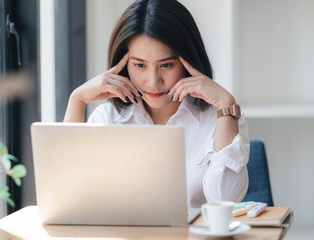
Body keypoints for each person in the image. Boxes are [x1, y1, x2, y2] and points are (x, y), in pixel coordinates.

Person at [64, 0, 249, 208]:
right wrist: (77, 100)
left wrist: (226, 103)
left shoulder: (221, 118)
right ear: (124, 65)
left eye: (166, 65)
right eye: (140, 65)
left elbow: (226, 199)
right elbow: (69, 196)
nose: (153, 81)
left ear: (188, 61)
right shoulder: (106, 119)